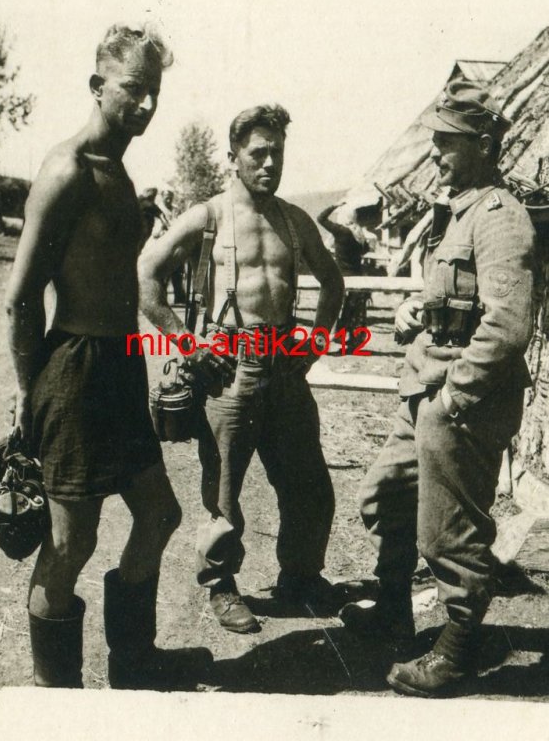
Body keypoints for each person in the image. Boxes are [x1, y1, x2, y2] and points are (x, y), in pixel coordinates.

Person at [5, 23, 190, 689]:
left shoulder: (119, 169)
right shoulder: (69, 169)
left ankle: (133, 666)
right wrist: (29, 393)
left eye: (154, 91)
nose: (146, 104)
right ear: (97, 86)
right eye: (133, 89)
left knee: (159, 514)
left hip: (119, 366)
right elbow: (20, 297)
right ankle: (58, 698)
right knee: (70, 542)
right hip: (75, 371)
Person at [340, 80, 536, 697]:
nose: (436, 152)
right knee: (385, 496)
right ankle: (393, 609)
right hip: (425, 389)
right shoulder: (457, 212)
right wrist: (414, 315)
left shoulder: (501, 219)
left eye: (449, 142)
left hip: (462, 400)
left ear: (483, 146)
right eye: (436, 139)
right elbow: (455, 302)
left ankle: (456, 650)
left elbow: (508, 326)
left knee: (447, 534)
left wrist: (454, 397)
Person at [138, 104, 345, 633]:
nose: (269, 163)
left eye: (277, 152)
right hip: (230, 371)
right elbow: (146, 276)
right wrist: (188, 344)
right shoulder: (207, 217)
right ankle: (222, 586)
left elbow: (333, 281)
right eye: (258, 153)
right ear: (233, 157)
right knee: (224, 492)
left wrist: (315, 344)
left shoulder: (294, 220)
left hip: (286, 370)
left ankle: (301, 577)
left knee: (308, 484)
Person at [317, 203, 371, 344]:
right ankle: (352, 337)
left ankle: (337, 334)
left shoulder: (341, 231)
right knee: (352, 308)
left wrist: (334, 205)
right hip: (357, 276)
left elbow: (321, 218)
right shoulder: (359, 233)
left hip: (342, 275)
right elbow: (366, 250)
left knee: (336, 306)